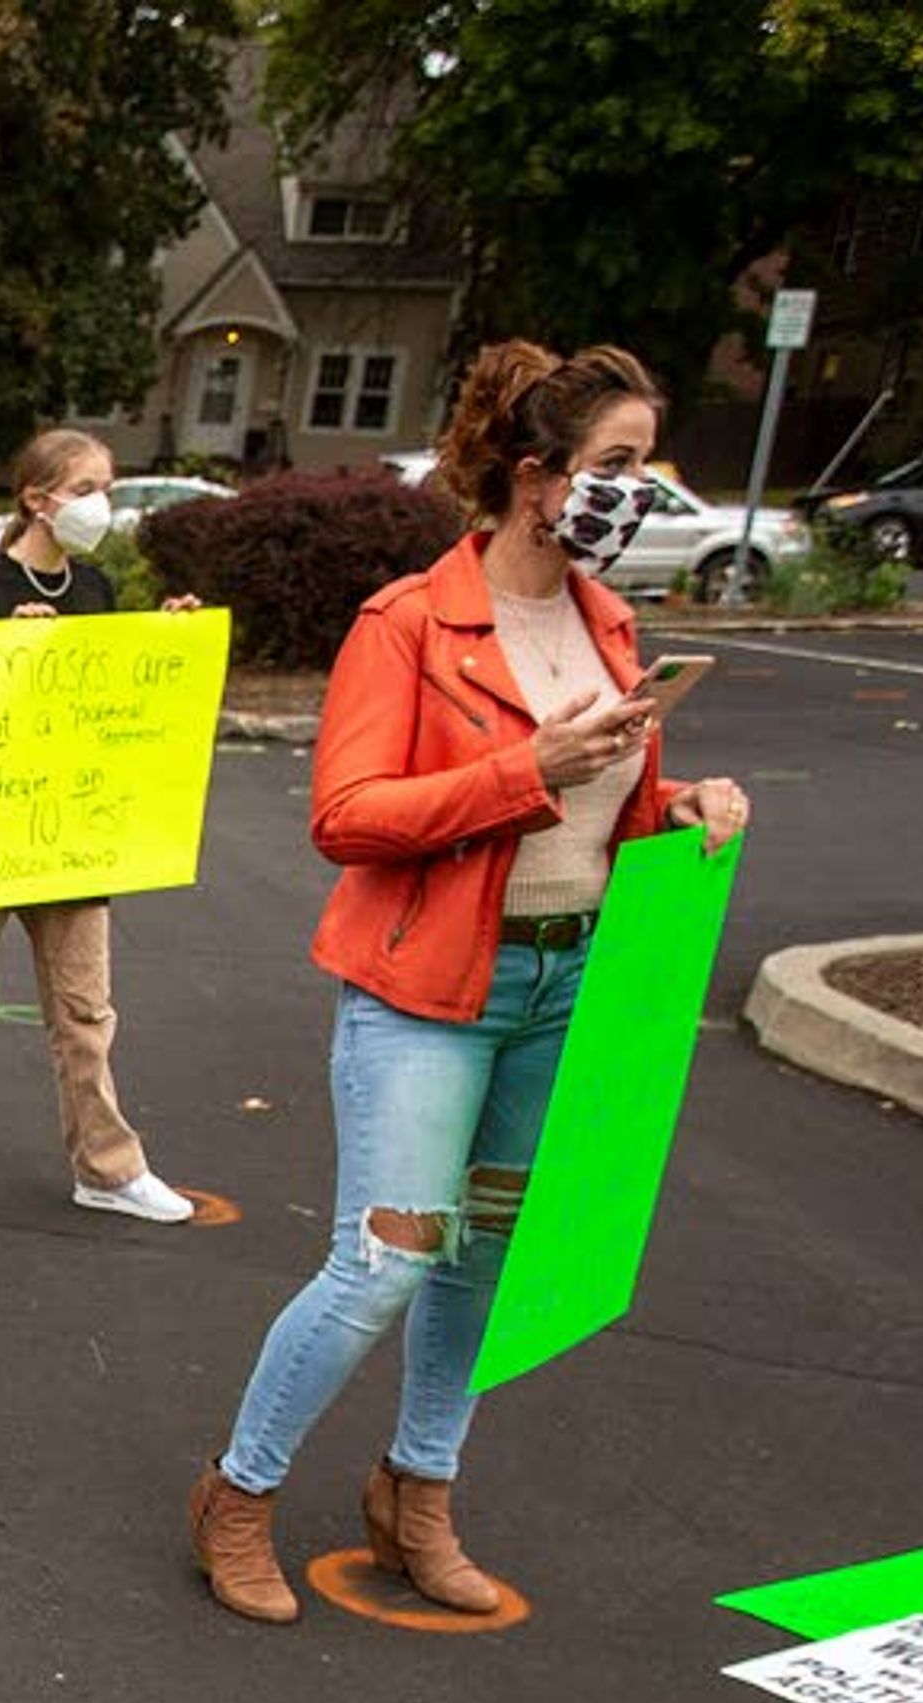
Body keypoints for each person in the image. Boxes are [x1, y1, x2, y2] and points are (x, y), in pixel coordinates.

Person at [190, 340, 749, 1624]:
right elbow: (348, 814)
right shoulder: (410, 622)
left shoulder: (609, 624)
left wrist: (686, 811)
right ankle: (239, 1491)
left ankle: (416, 1498)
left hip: (566, 988)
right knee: (384, 1259)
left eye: (645, 465)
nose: (636, 492)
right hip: (429, 994)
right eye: (616, 465)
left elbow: (607, 807)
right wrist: (527, 772)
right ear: (539, 473)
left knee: (481, 1255)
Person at [0, 427, 200, 1238]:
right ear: (37, 499)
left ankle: (108, 1168)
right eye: (85, 488)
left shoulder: (99, 589)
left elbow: (113, 708)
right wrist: (14, 656)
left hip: (71, 829)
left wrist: (169, 647)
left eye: (107, 485)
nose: (101, 503)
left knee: (85, 1012)